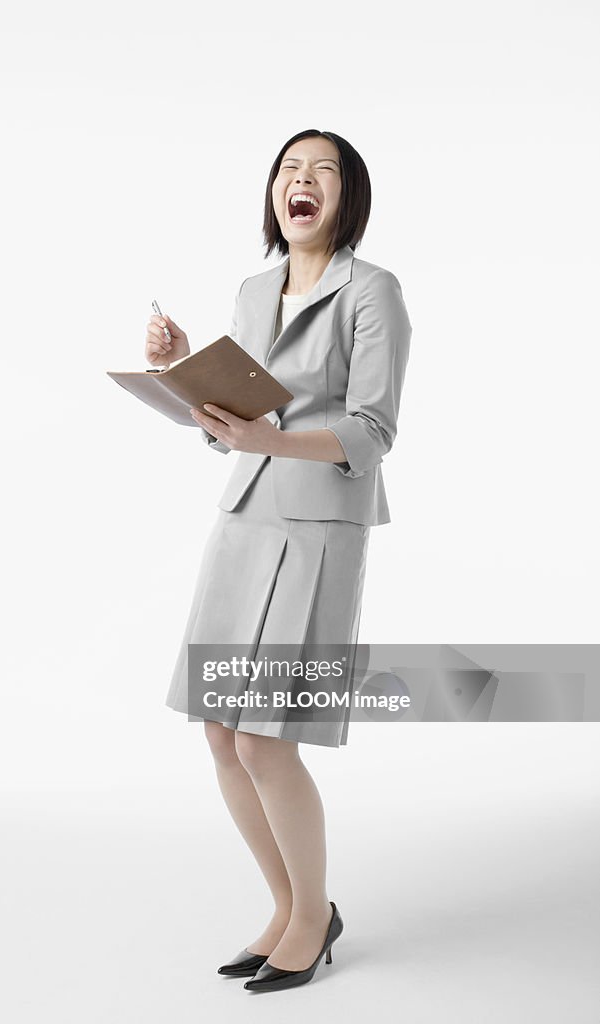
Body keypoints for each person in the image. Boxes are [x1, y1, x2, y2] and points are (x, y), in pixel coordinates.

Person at [145, 129, 412, 993]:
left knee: (266, 737)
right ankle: (291, 905)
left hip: (320, 526)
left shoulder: (372, 292)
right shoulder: (252, 290)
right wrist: (182, 375)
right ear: (272, 193)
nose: (301, 182)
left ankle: (312, 914)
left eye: (321, 172)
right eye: (289, 170)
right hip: (245, 520)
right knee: (221, 730)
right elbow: (237, 422)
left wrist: (269, 438)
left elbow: (372, 432)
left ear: (347, 197)